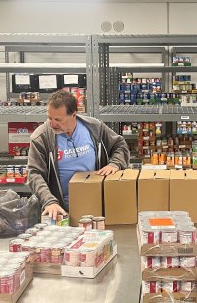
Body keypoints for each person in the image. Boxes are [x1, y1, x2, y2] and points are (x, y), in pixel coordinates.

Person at [27, 90, 130, 220]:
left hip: (97, 207)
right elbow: (35, 173)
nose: (52, 123)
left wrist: (115, 163)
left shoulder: (94, 128)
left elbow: (120, 145)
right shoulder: (41, 138)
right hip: (61, 212)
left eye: (58, 119)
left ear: (74, 115)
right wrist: (49, 201)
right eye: (49, 118)